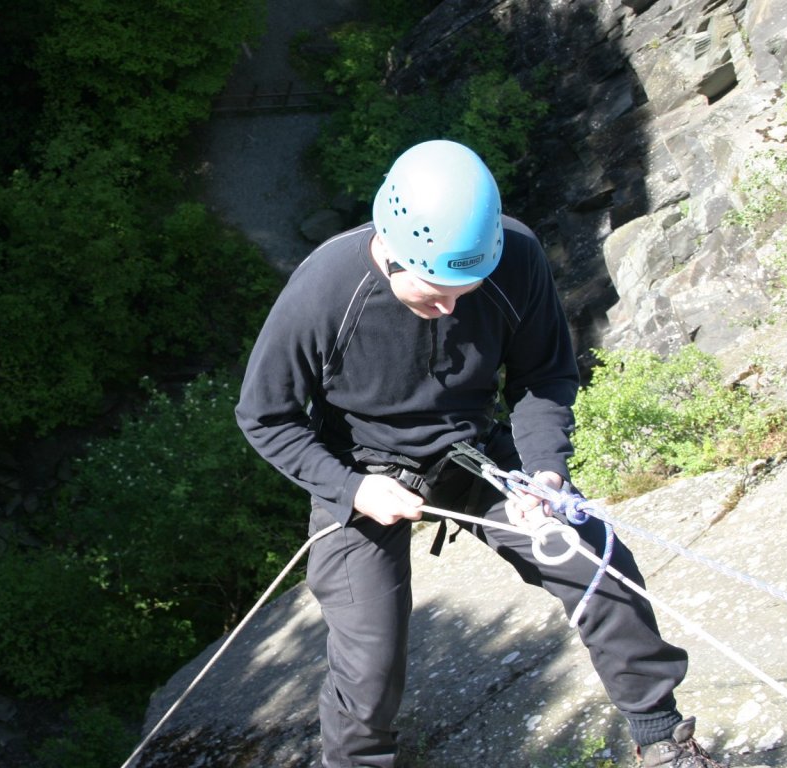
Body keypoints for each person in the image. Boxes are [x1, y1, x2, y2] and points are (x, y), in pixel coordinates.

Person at [234, 140, 725, 767]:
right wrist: (351, 488)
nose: (451, 307)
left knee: (597, 564)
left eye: (465, 290)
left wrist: (545, 472)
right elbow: (265, 417)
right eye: (435, 291)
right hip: (362, 467)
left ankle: (662, 739)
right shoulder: (326, 290)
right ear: (390, 248)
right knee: (369, 664)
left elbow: (543, 376)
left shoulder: (514, 258)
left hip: (475, 456)